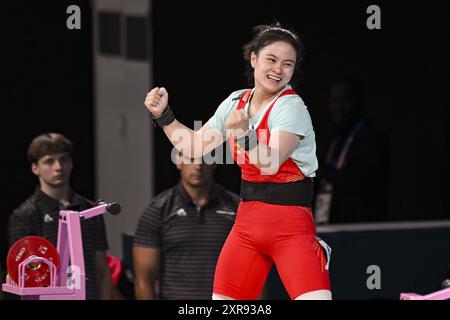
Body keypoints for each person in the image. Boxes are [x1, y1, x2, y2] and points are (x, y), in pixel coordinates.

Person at [144, 22, 331, 300]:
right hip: (246, 229)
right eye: (271, 59)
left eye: (287, 64)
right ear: (253, 59)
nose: (278, 69)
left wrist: (244, 136)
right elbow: (193, 146)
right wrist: (164, 116)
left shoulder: (291, 106)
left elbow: (270, 163)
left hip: (291, 230)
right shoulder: (234, 103)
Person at [8, 133, 112, 300]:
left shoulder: (91, 209)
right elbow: (22, 275)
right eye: (49, 161)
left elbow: (102, 269)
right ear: (35, 168)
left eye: (63, 159)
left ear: (71, 163)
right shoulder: (24, 215)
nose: (58, 167)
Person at [133, 152, 240, 299]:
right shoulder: (158, 210)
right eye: (190, 159)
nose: (198, 166)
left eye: (205, 159)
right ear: (178, 161)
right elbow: (144, 280)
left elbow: (255, 272)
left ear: (215, 163)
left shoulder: (238, 208)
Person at [314, 79, 390, 224]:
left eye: (346, 101)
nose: (339, 108)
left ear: (358, 102)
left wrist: (319, 168)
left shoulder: (372, 138)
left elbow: (359, 183)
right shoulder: (333, 140)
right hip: (326, 228)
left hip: (359, 231)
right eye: (334, 101)